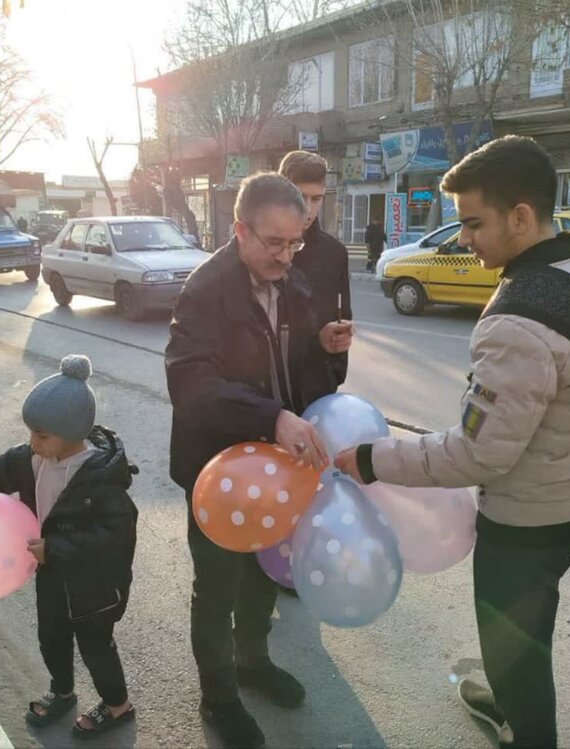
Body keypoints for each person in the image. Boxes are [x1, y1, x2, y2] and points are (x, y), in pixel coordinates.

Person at [335, 135, 570, 749]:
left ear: (521, 216)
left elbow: (477, 454)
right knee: (531, 626)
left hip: (527, 526)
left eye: (474, 223)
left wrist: (371, 459)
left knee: (516, 654)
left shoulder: (517, 323)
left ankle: (522, 723)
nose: (464, 239)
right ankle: (507, 700)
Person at [165, 173, 345, 749]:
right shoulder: (205, 291)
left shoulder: (293, 283)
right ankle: (218, 697)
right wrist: (272, 417)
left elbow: (296, 370)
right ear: (240, 229)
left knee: (266, 573)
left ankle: (252, 661)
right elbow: (191, 385)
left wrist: (323, 347)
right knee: (217, 589)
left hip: (279, 469)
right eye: (274, 243)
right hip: (217, 473)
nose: (286, 256)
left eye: (295, 243)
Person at [0, 355, 138, 738]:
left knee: (96, 647)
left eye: (41, 436)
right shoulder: (35, 458)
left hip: (92, 586)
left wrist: (55, 549)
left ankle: (117, 705)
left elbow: (114, 538)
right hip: (51, 574)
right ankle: (62, 690)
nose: (32, 443)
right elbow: (1, 468)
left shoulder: (101, 478)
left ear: (71, 433)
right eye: (31, 434)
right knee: (51, 636)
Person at [278, 150, 354, 388]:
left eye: (316, 199)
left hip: (319, 385)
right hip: (270, 388)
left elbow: (342, 317)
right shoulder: (262, 249)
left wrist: (334, 372)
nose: (308, 210)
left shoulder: (334, 253)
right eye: (301, 197)